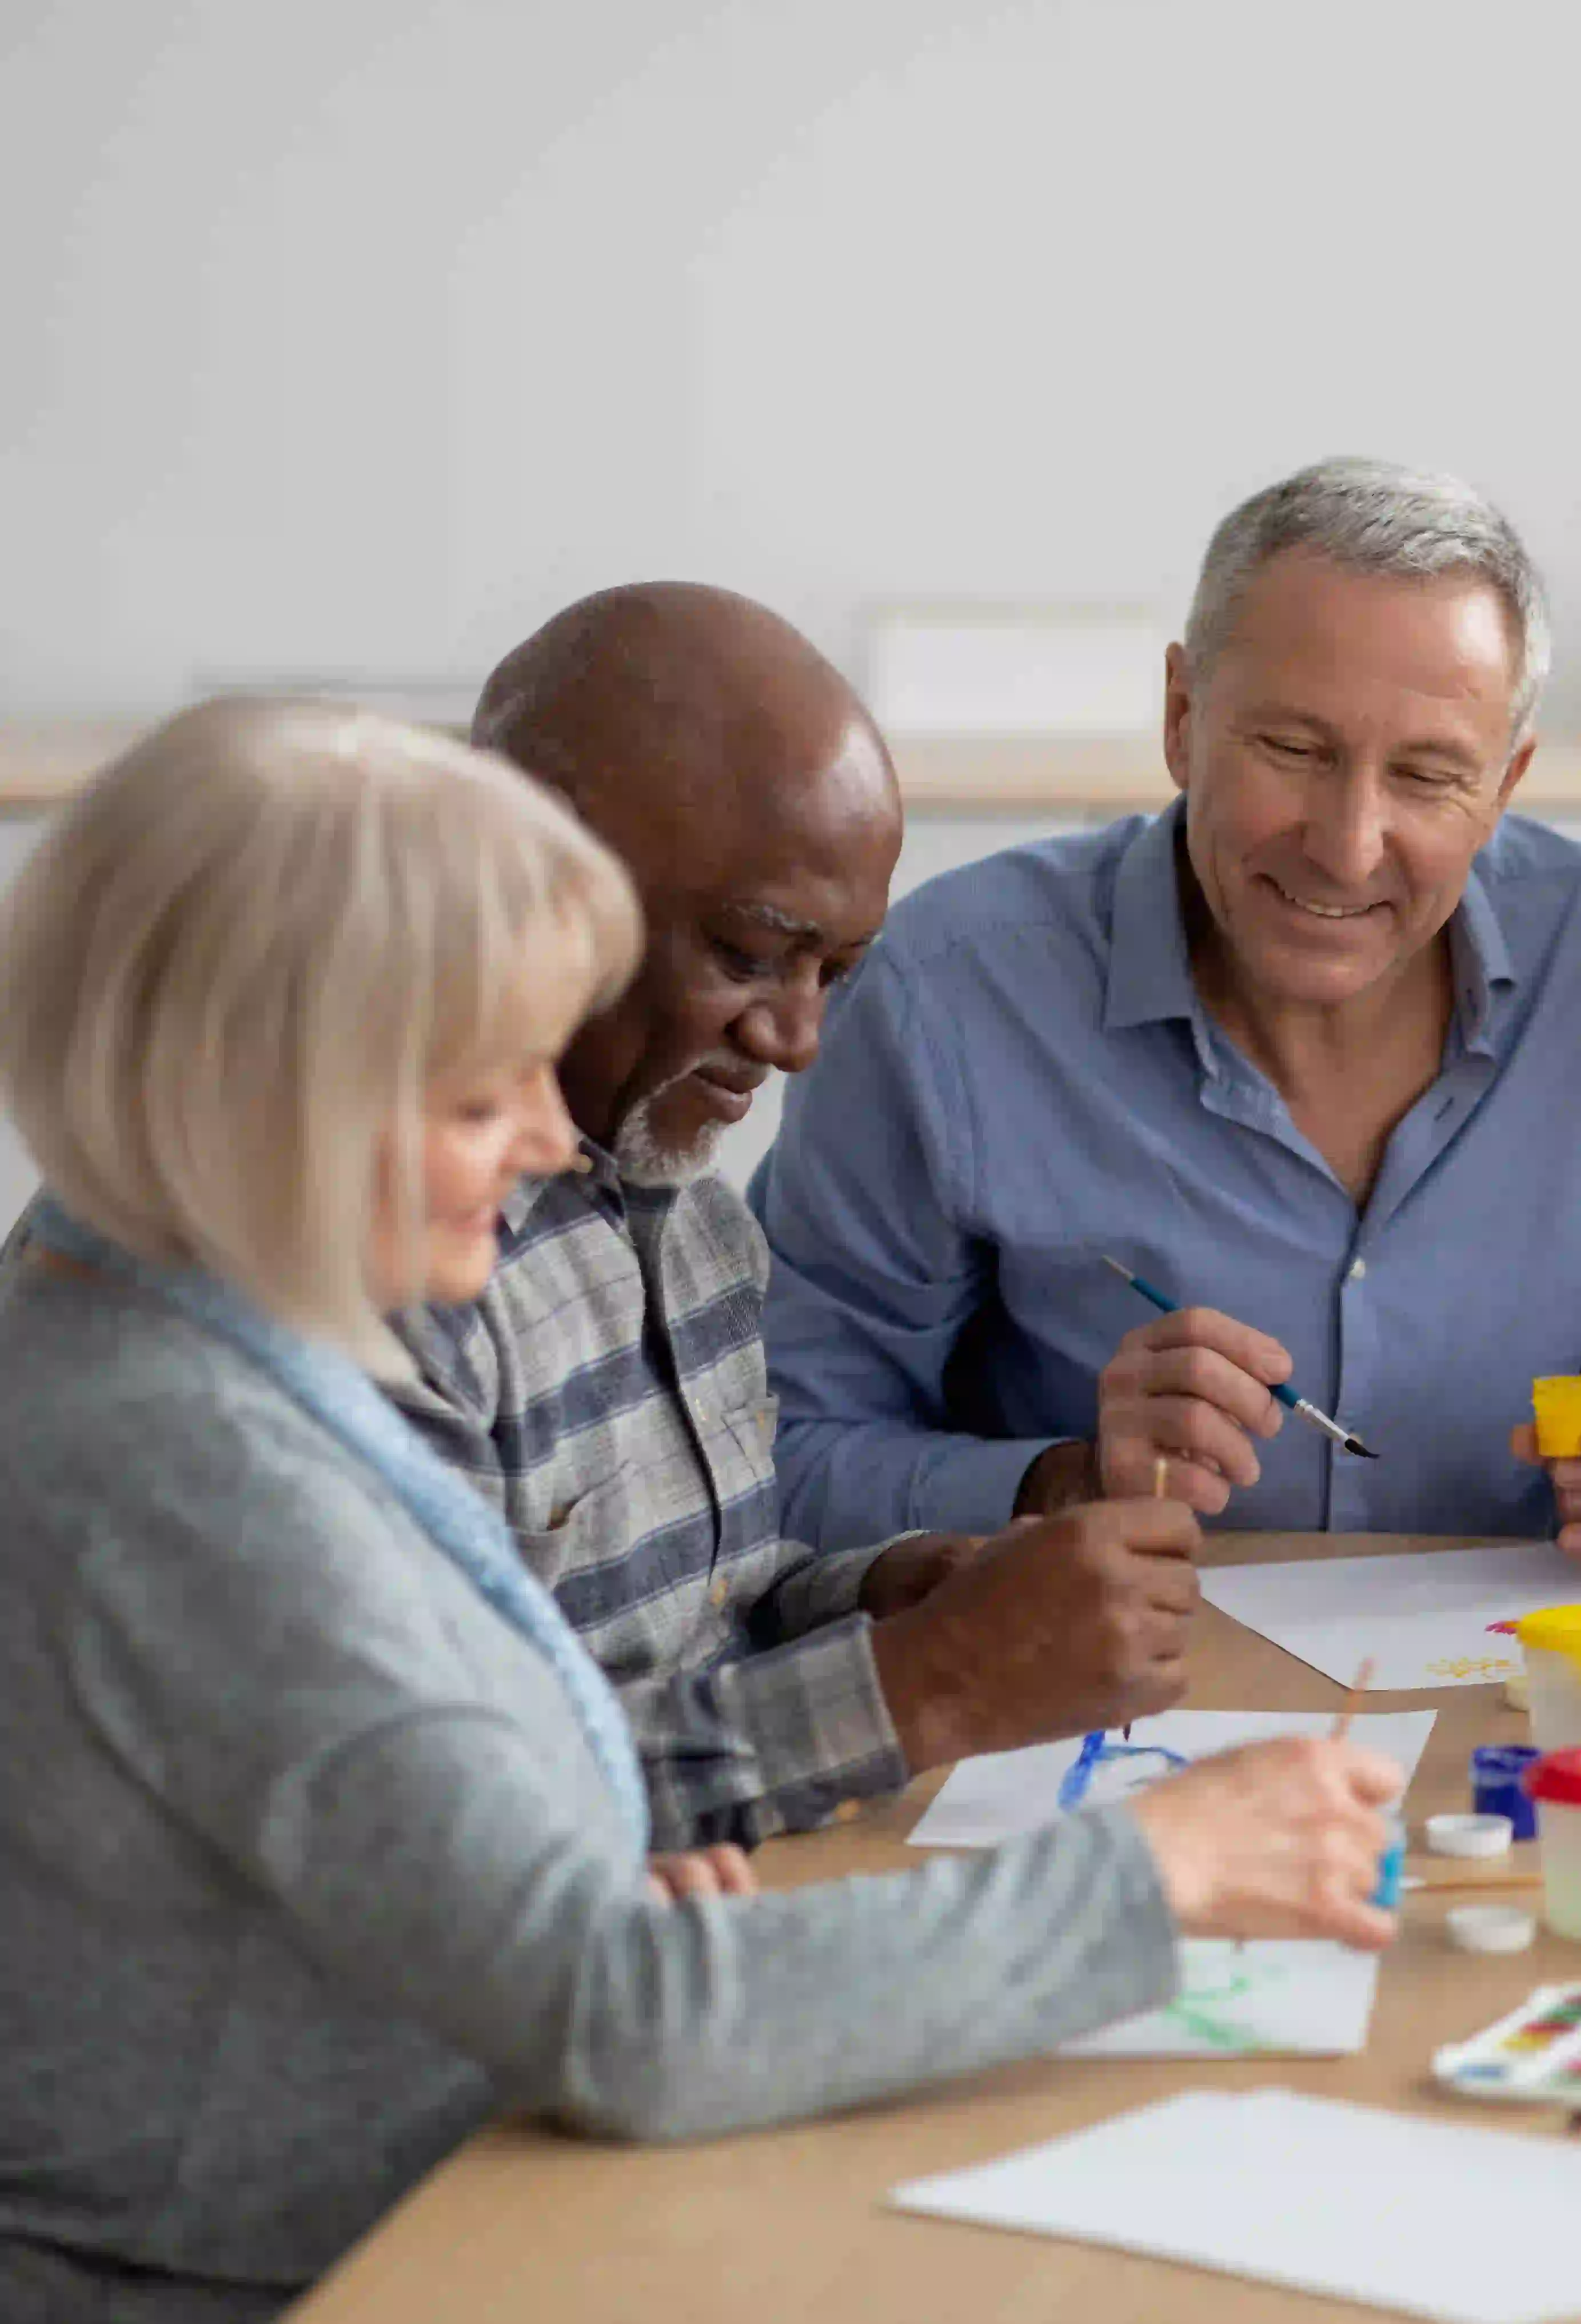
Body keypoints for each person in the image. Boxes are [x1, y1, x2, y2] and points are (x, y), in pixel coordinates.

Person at [0, 701, 1399, 2323]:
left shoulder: (202, 1337)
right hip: (299, 2270)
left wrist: (585, 1843)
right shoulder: (188, 1467)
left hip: (469, 2186)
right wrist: (1159, 1867)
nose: (544, 1141)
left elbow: (489, 1795)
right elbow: (628, 2016)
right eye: (478, 1092)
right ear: (276, 1094)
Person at [753, 459, 1581, 1551]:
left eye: (1427, 776)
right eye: (1294, 749)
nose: (1349, 844)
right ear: (1181, 717)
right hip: (1107, 1699)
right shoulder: (943, 991)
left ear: (1506, 785)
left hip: (1530, 1686)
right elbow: (767, 1456)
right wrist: (1071, 1480)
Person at [396, 585, 1205, 1852]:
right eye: (747, 953)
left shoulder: (693, 1215)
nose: (799, 1042)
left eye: (837, 974)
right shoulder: (366, 1260)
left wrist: (880, 1598)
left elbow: (703, 1619)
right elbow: (457, 1824)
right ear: (534, 874)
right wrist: (922, 1682)